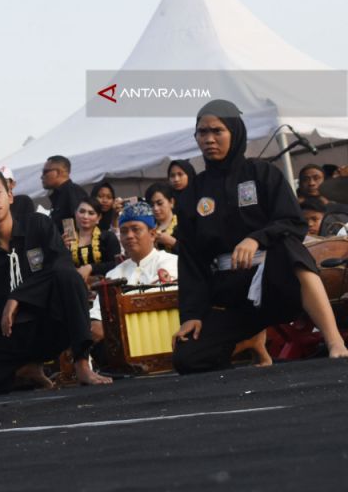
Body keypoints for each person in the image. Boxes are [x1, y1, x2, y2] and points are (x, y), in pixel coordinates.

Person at [172, 99, 348, 373]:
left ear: (235, 132)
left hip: (275, 281)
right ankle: (251, 340)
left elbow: (293, 221)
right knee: (188, 358)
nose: (209, 139)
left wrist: (256, 238)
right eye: (202, 132)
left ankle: (334, 339)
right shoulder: (193, 193)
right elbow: (191, 260)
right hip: (230, 290)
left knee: (289, 248)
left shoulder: (262, 173)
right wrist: (192, 315)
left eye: (217, 131)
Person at [0, 164, 110, 400]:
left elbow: (61, 266)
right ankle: (21, 373)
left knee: (69, 276)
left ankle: (82, 365)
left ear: (9, 195)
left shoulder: (37, 225)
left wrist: (18, 296)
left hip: (52, 327)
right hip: (12, 340)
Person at [88, 202, 180, 343]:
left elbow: (162, 300)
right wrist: (96, 322)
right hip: (124, 342)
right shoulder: (114, 274)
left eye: (136, 229)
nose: (129, 236)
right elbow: (98, 313)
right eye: (124, 231)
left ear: (152, 234)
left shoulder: (170, 262)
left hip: (164, 337)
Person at [65, 197, 121, 282]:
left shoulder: (108, 237)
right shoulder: (67, 240)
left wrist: (91, 267)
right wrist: (63, 249)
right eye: (82, 211)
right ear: (75, 214)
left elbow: (116, 263)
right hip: (77, 288)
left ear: (98, 218)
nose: (85, 216)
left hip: (105, 287)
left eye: (91, 213)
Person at [41, 156, 88, 235]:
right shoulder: (59, 195)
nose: (42, 176)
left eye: (45, 172)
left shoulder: (73, 192)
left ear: (58, 172)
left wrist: (71, 243)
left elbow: (82, 224)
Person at [145, 182, 179, 252]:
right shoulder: (148, 228)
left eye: (160, 203)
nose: (155, 208)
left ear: (171, 202)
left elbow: (195, 252)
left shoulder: (184, 223)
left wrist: (173, 242)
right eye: (151, 205)